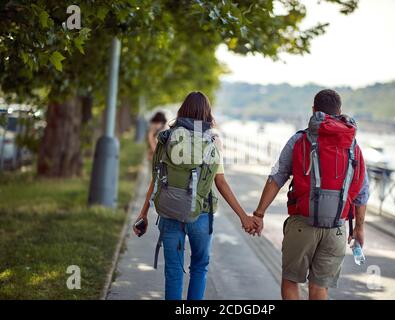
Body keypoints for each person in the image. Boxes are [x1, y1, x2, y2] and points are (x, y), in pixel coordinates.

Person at [133, 91, 257, 300]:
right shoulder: (213, 139)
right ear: (207, 113)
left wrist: (143, 214)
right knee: (199, 266)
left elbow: (156, 179)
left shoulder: (167, 137)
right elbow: (220, 182)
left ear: (183, 110)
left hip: (169, 212)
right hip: (201, 213)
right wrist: (243, 217)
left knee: (173, 271)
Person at [250, 89, 369, 300]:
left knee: (291, 280)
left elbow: (276, 177)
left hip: (302, 224)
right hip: (336, 228)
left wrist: (259, 214)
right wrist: (359, 228)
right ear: (339, 112)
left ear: (314, 110)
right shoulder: (353, 147)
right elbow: (361, 192)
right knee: (319, 287)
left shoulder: (300, 139)